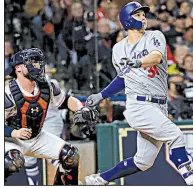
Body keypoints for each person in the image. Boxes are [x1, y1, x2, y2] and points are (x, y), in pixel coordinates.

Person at [84, 2, 193, 185]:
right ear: (127, 20)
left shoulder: (154, 36)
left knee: (143, 162)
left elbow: (156, 57)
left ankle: (100, 179)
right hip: (139, 105)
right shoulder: (118, 49)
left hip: (159, 105)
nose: (143, 18)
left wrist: (137, 62)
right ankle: (190, 179)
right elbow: (122, 79)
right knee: (176, 135)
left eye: (143, 15)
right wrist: (101, 95)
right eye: (138, 15)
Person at [4, 48, 97, 185]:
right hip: (11, 140)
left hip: (36, 136)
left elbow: (66, 100)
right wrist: (14, 132)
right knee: (12, 160)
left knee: (71, 155)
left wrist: (82, 109)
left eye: (38, 62)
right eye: (31, 63)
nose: (37, 66)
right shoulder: (7, 93)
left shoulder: (47, 86)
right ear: (18, 68)